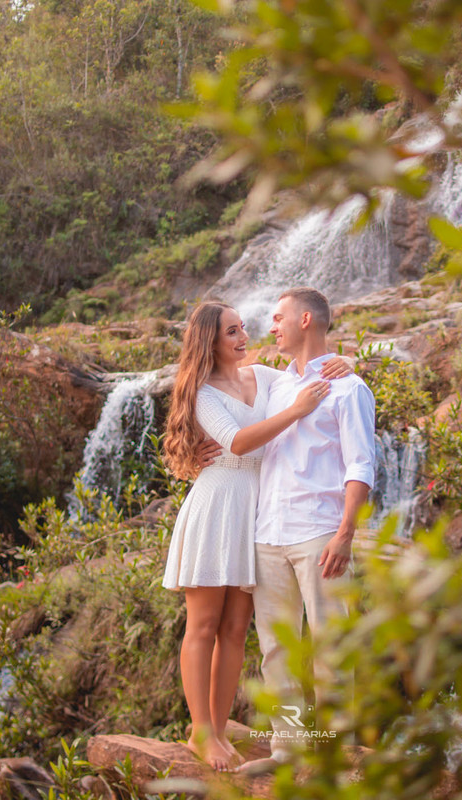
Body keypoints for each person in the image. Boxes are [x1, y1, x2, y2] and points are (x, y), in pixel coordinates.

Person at [160, 301, 354, 771]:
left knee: (235, 630)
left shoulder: (264, 377)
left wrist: (349, 362)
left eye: (242, 327)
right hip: (218, 504)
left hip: (259, 512)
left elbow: (307, 371)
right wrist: (297, 411)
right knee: (203, 626)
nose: (243, 336)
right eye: (231, 331)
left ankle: (221, 729)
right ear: (210, 341)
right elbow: (239, 442)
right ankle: (201, 733)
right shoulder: (203, 392)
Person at [239, 286, 376, 773]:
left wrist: (345, 534)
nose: (270, 326)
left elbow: (361, 465)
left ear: (305, 321)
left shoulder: (350, 388)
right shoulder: (275, 384)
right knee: (277, 651)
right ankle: (288, 751)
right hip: (267, 533)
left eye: (278, 317)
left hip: (320, 533)